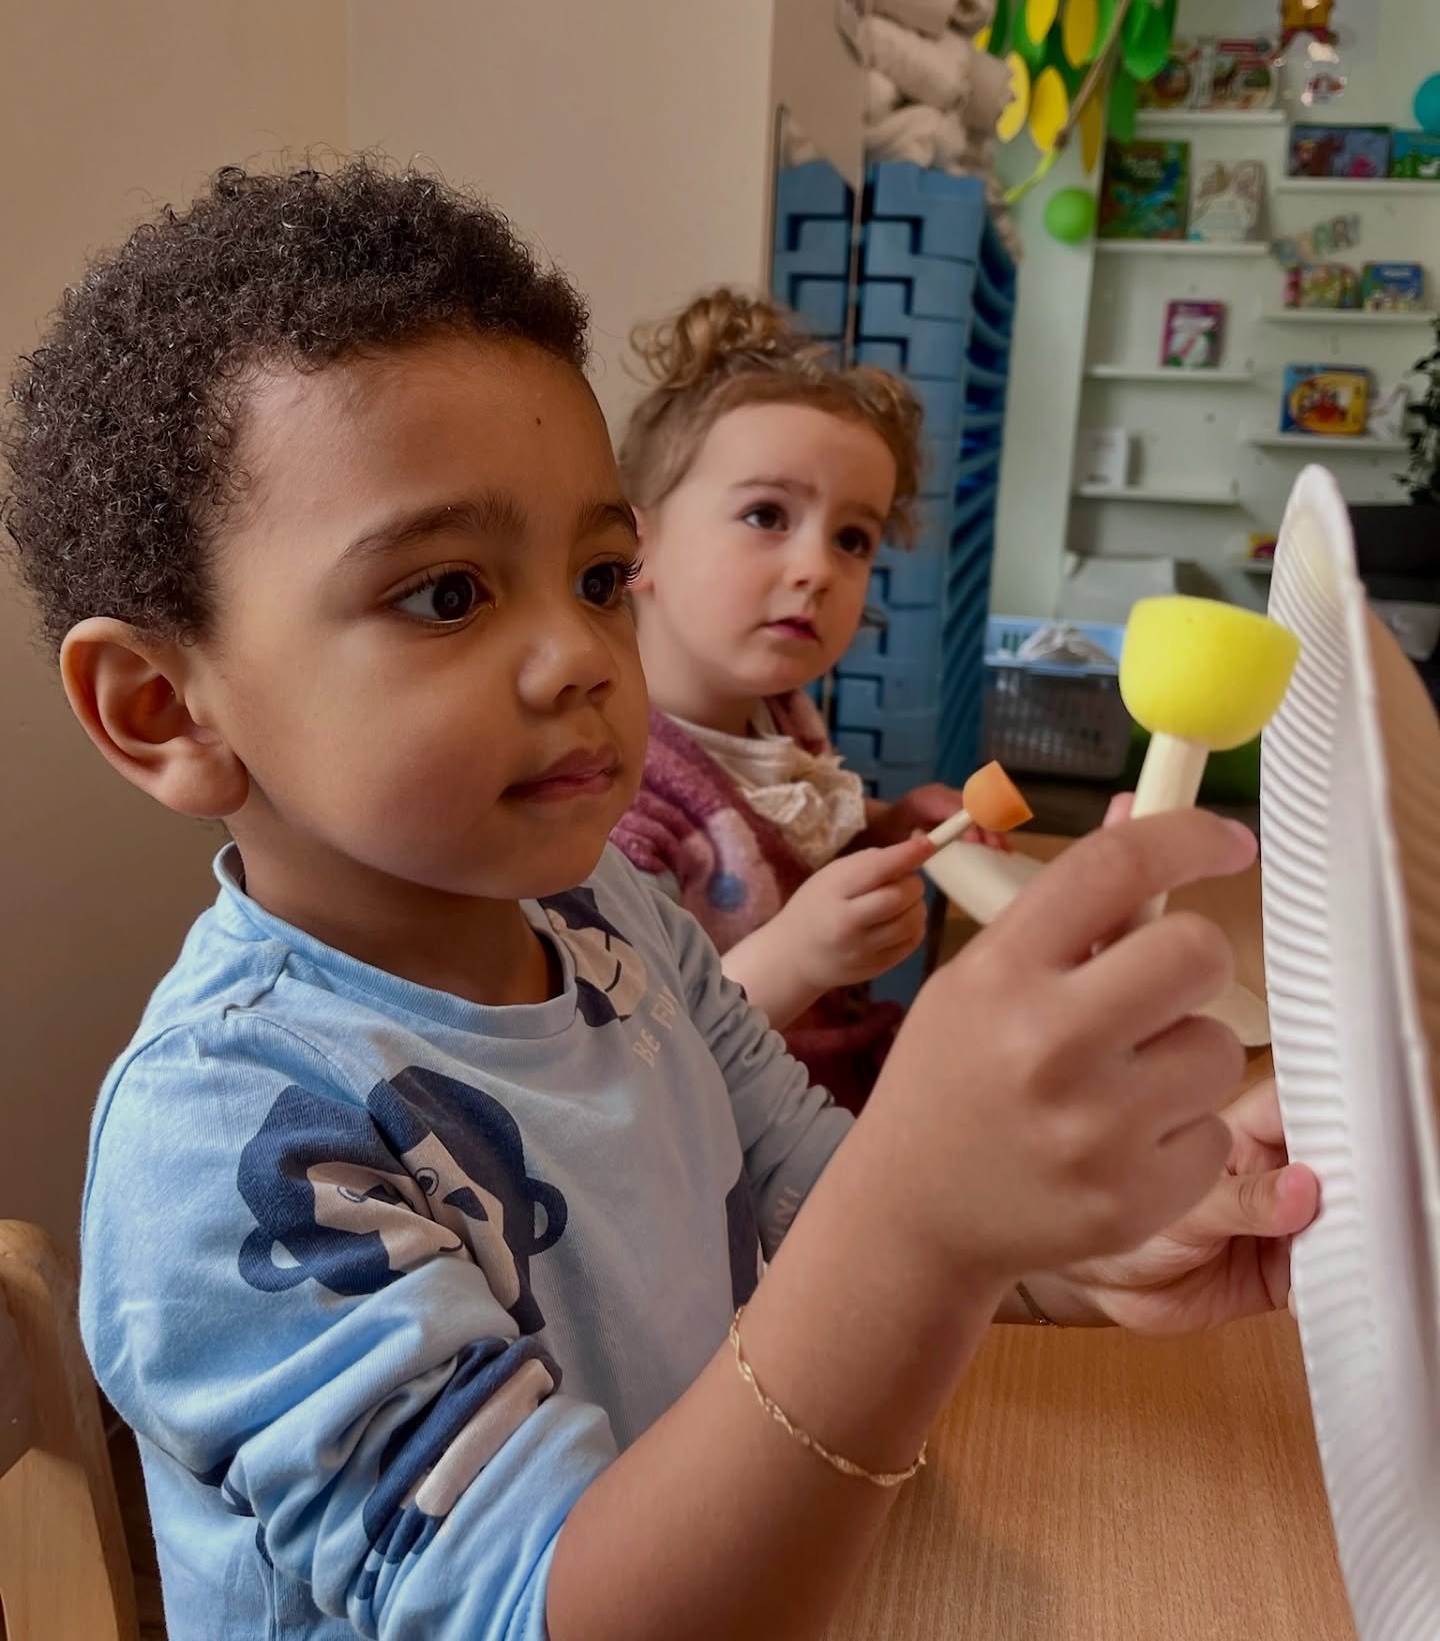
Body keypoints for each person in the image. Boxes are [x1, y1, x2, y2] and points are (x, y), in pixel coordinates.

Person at [2, 160, 1318, 1641]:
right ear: (166, 709)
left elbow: (817, 1194)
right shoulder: (232, 1141)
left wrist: (1072, 1241)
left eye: (603, 572)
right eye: (447, 593)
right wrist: (924, 1230)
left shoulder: (606, 911)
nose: (578, 653)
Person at [612, 290, 999, 1108]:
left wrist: (886, 831)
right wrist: (800, 958)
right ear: (634, 550)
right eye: (766, 515)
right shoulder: (612, 789)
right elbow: (633, 1054)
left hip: (828, 1079)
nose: (817, 568)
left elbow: (790, 845)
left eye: (852, 538)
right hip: (728, 1152)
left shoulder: (778, 709)